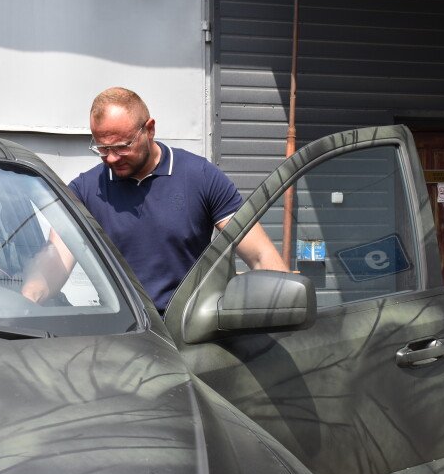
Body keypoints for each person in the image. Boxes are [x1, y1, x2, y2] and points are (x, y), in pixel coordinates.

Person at [21, 87, 287, 314]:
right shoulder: (86, 190)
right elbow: (56, 256)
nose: (111, 158)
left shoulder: (201, 177)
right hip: (127, 332)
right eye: (102, 148)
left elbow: (260, 255)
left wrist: (287, 308)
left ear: (149, 129)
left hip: (192, 329)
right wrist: (27, 301)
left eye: (122, 146)